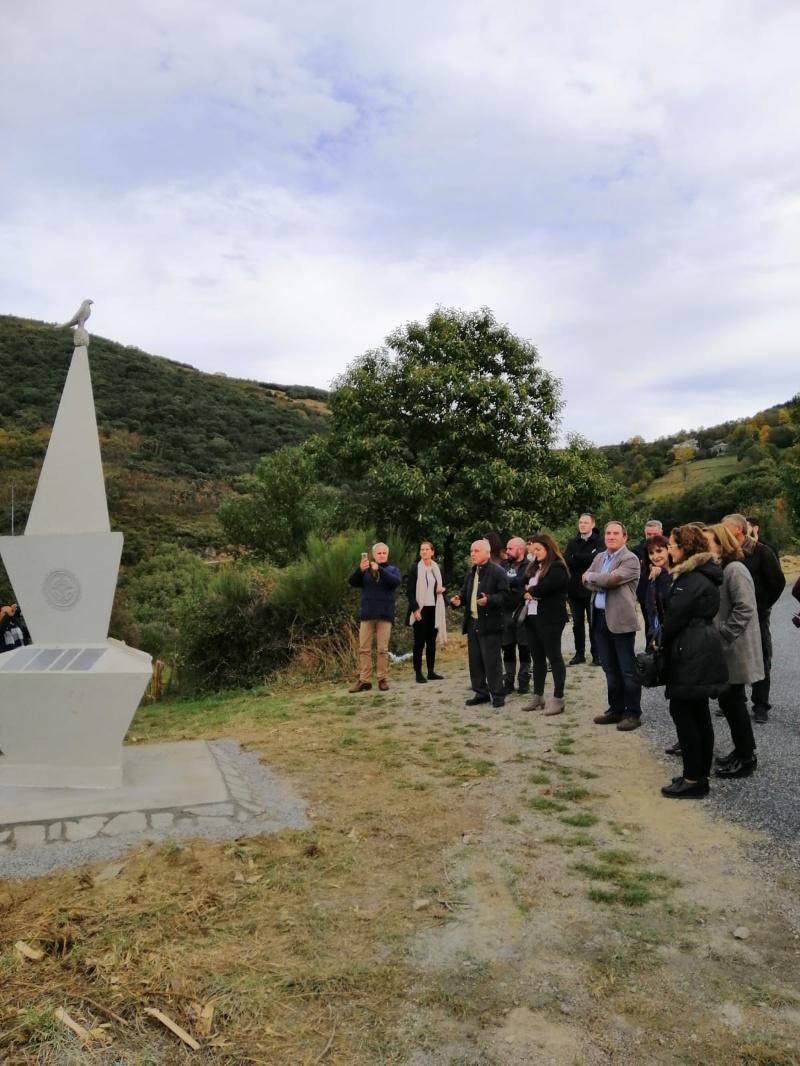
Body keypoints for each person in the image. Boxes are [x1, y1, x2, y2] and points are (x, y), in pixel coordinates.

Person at [658, 525, 728, 799]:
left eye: (673, 545)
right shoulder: (701, 575)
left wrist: (658, 639)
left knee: (685, 713)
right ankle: (698, 773)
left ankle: (693, 778)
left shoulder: (691, 579)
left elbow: (675, 617)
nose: (670, 550)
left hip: (690, 651)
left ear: (685, 548)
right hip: (700, 647)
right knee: (698, 713)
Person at [705, 524, 762, 778]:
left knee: (734, 702)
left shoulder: (735, 569)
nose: (704, 545)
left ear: (721, 543)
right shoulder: (722, 569)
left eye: (708, 541)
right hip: (726, 647)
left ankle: (746, 757)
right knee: (730, 702)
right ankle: (742, 750)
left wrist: (724, 633)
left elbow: (745, 607)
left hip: (734, 647)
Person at [722, 513, 785, 723]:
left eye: (725, 528)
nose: (722, 532)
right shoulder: (726, 554)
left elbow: (777, 582)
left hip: (757, 615)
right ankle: (734, 700)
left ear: (738, 530)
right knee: (732, 656)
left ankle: (760, 705)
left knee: (762, 657)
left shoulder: (761, 552)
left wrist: (764, 605)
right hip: (732, 616)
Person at [583, 520, 642, 731]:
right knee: (609, 668)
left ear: (625, 537)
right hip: (599, 618)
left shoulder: (631, 559)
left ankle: (633, 712)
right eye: (608, 533)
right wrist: (596, 578)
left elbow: (611, 581)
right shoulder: (599, 557)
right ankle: (615, 709)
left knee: (627, 669)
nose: (610, 536)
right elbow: (585, 580)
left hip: (620, 620)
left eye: (616, 533)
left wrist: (594, 578)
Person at [450, 539, 509, 709]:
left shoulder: (498, 572)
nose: (472, 554)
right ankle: (480, 692)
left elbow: (505, 596)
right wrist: (458, 600)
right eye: (471, 551)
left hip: (490, 623)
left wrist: (489, 600)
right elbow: (464, 593)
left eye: (476, 551)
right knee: (475, 661)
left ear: (487, 553)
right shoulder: (471, 572)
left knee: (492, 661)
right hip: (473, 622)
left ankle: (497, 694)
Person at [521, 534, 569, 716]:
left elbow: (544, 588)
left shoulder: (558, 568)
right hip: (532, 617)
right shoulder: (533, 567)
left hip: (550, 619)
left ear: (548, 549)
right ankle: (538, 695)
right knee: (537, 658)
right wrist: (527, 591)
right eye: (533, 551)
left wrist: (530, 591)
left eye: (538, 550)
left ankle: (558, 698)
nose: (535, 553)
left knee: (554, 657)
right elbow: (520, 585)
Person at [348, 542, 401, 692]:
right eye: (379, 553)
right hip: (367, 614)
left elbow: (395, 582)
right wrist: (360, 570)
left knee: (382, 650)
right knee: (364, 649)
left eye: (384, 553)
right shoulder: (365, 570)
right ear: (374, 555)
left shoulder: (392, 570)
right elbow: (352, 582)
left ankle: (382, 679)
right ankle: (364, 680)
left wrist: (380, 570)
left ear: (387, 554)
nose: (382, 555)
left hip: (385, 615)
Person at [563, 513, 602, 665]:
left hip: (592, 588)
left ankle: (596, 654)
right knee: (577, 623)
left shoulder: (599, 541)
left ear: (593, 524)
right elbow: (567, 559)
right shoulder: (573, 541)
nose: (582, 525)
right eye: (580, 522)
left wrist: (577, 557)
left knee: (594, 623)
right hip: (574, 588)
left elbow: (597, 559)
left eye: (586, 522)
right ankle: (579, 654)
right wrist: (584, 557)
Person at [405, 541, 447, 683]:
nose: (424, 552)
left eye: (427, 549)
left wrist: (443, 590)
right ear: (419, 552)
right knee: (419, 642)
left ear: (432, 552)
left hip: (434, 609)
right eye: (422, 549)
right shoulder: (415, 568)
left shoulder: (437, 568)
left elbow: (443, 586)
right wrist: (415, 609)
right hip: (421, 609)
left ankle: (430, 671)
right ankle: (418, 673)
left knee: (431, 642)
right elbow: (409, 591)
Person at [501, 536, 532, 694]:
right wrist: (513, 583)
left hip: (523, 611)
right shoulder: (503, 565)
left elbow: (524, 581)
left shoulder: (530, 565)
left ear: (520, 549)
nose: (507, 552)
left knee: (525, 647)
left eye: (510, 548)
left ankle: (524, 678)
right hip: (505, 611)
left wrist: (511, 583)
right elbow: (499, 582)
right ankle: (508, 679)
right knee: (507, 647)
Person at [632, 519, 664, 619]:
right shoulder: (637, 550)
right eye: (648, 534)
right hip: (645, 594)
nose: (651, 537)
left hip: (664, 593)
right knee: (650, 628)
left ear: (661, 533)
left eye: (655, 534)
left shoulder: (670, 547)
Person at [642, 534, 672, 642]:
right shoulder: (652, 576)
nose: (655, 556)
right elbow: (651, 609)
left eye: (659, 551)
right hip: (659, 630)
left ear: (668, 549)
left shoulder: (680, 572)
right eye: (651, 553)